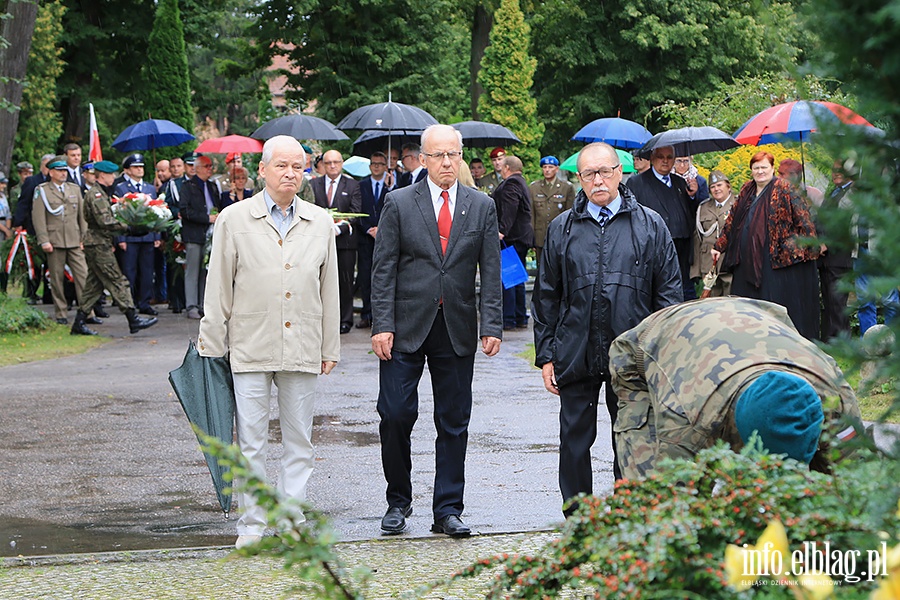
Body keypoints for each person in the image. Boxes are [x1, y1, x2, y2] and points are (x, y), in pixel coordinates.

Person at [197, 135, 340, 548]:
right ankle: (253, 526)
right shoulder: (234, 218)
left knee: (300, 441)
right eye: (281, 165)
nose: (290, 173)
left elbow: (329, 289)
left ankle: (292, 521)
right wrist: (211, 343)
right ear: (262, 170)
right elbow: (218, 285)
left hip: (302, 343)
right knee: (251, 442)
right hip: (250, 342)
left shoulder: (319, 221)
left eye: (298, 166)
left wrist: (329, 346)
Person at [531, 142, 682, 512]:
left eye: (604, 172)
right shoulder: (561, 228)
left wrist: (661, 354)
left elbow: (668, 295)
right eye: (588, 174)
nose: (597, 180)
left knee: (632, 440)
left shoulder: (650, 224)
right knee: (574, 441)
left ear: (619, 172)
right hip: (575, 350)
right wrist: (547, 354)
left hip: (632, 356)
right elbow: (547, 295)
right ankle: (578, 517)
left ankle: (628, 514)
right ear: (579, 178)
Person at [371, 124, 503, 538]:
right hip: (405, 326)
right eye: (438, 155)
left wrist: (492, 323)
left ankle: (447, 509)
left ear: (461, 156)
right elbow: (383, 269)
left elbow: (491, 271)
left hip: (457, 327)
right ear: (423, 159)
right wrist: (381, 325)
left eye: (453, 154)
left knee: (453, 421)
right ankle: (398, 500)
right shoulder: (398, 203)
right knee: (394, 414)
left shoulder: (481, 205)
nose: (447, 162)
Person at [610, 297, 863, 479]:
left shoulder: (836, 398)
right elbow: (674, 508)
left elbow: (856, 485)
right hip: (651, 343)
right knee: (649, 493)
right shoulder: (689, 418)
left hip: (756, 317)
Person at [712, 152, 820, 340]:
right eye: (756, 168)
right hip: (746, 260)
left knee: (773, 305)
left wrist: (803, 248)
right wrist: (719, 246)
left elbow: (804, 222)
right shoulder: (747, 190)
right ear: (751, 170)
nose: (760, 171)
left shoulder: (785, 189)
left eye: (764, 167)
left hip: (775, 261)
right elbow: (732, 222)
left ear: (772, 168)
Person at [80, 160, 159, 335]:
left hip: (98, 242)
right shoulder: (97, 195)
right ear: (102, 176)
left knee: (94, 285)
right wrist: (129, 228)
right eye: (111, 175)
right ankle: (133, 319)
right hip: (98, 244)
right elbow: (105, 221)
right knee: (118, 280)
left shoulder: (100, 193)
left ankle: (79, 321)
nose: (114, 178)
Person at [626, 145, 697, 300]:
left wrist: (692, 196)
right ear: (652, 158)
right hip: (654, 246)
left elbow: (691, 214)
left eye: (669, 157)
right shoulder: (637, 183)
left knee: (684, 288)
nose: (665, 161)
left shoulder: (679, 182)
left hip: (682, 247)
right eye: (660, 157)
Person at [32, 156, 94, 331]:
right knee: (57, 279)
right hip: (54, 240)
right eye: (59, 171)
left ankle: (87, 312)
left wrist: (84, 236)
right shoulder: (42, 190)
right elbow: (38, 217)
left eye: (65, 170)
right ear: (51, 172)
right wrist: (44, 240)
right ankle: (61, 313)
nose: (63, 173)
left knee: (83, 275)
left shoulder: (74, 188)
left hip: (74, 239)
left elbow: (82, 216)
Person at [311, 150, 362, 333]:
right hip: (318, 242)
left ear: (342, 164)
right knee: (318, 281)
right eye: (328, 162)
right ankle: (321, 319)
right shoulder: (313, 184)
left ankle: (345, 320)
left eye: (336, 162)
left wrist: (339, 227)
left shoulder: (353, 185)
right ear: (323, 165)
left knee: (345, 282)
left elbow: (356, 211)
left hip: (345, 244)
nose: (332, 166)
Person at [113, 153, 162, 317]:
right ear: (127, 170)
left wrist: (156, 236)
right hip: (129, 237)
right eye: (135, 167)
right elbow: (119, 215)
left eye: (141, 167)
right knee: (129, 271)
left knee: (147, 271)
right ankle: (129, 303)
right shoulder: (121, 188)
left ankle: (145, 302)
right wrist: (120, 238)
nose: (139, 170)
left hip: (147, 236)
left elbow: (156, 213)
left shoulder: (149, 188)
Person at [179, 155, 224, 320]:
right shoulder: (188, 186)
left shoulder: (212, 186)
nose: (210, 169)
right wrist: (206, 218)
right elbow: (184, 210)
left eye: (211, 166)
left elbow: (218, 205)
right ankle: (191, 305)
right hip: (194, 233)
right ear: (197, 168)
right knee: (193, 270)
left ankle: (204, 304)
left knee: (207, 271)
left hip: (212, 233)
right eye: (206, 166)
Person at [493, 155, 534, 330]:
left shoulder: (512, 184)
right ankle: (519, 316)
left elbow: (510, 208)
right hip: (520, 236)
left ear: (508, 168)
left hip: (513, 238)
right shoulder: (521, 182)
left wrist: (502, 230)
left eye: (502, 167)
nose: (500, 169)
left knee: (509, 278)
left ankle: (509, 318)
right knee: (516, 278)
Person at [816, 160, 855, 339]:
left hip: (840, 257)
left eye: (841, 170)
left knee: (838, 301)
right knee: (829, 301)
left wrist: (826, 243)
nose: (836, 173)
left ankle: (843, 340)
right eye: (834, 170)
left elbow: (844, 225)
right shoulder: (833, 193)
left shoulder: (851, 194)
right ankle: (832, 338)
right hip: (826, 259)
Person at [355, 151, 389, 329]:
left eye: (380, 164)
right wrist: (369, 229)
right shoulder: (360, 185)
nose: (376, 166)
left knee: (384, 277)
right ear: (369, 167)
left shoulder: (392, 185)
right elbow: (357, 210)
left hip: (386, 238)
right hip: (365, 239)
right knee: (365, 276)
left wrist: (381, 230)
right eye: (374, 163)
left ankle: (381, 316)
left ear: (385, 167)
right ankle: (366, 314)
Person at [690, 170, 735, 297]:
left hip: (729, 264)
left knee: (731, 304)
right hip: (708, 265)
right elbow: (697, 239)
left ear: (728, 186)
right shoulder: (703, 207)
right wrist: (695, 270)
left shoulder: (738, 205)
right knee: (710, 306)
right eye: (713, 187)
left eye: (719, 185)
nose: (716, 189)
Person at [530, 156, 576, 266]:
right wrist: (532, 238)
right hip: (540, 236)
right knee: (541, 269)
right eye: (544, 167)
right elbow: (532, 214)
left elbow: (570, 213)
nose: (547, 170)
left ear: (557, 169)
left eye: (550, 167)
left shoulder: (566, 187)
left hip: (559, 235)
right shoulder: (534, 187)